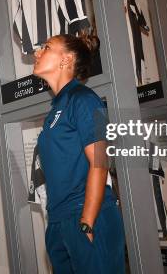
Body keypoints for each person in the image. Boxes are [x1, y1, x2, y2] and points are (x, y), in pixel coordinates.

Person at [32, 32, 126, 274]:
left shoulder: (84, 99)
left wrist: (87, 222)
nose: (37, 53)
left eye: (46, 47)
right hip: (59, 221)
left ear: (67, 59)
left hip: (86, 217)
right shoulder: (55, 109)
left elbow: (100, 162)